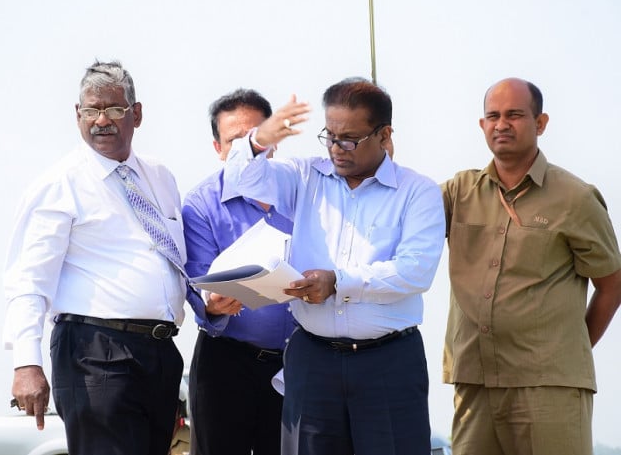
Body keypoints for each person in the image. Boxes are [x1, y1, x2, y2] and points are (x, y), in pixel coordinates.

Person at [2, 60, 219, 455]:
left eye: (114, 109)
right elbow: (28, 280)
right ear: (77, 114)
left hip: (159, 353)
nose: (101, 120)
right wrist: (26, 362)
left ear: (136, 114)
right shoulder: (59, 184)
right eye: (91, 110)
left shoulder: (160, 177)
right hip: (94, 355)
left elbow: (174, 260)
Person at [224, 78, 446, 455]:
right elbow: (241, 179)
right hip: (314, 359)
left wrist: (338, 282)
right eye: (330, 136)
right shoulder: (305, 175)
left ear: (385, 134)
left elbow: (415, 271)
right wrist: (258, 141)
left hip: (388, 362)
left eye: (350, 139)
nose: (337, 149)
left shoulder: (418, 191)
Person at [442, 77, 621, 455]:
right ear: (481, 125)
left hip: (549, 388)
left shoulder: (576, 198)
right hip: (474, 383)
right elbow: (402, 216)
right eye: (492, 115)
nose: (501, 124)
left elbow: (612, 284)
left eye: (515, 115)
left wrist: (568, 349)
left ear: (540, 123)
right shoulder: (458, 192)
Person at [182, 88, 295, 455]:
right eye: (235, 141)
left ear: (272, 140)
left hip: (296, 366)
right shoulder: (200, 205)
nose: (248, 148)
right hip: (226, 364)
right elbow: (198, 282)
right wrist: (211, 305)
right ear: (218, 149)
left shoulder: (303, 191)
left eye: (255, 137)